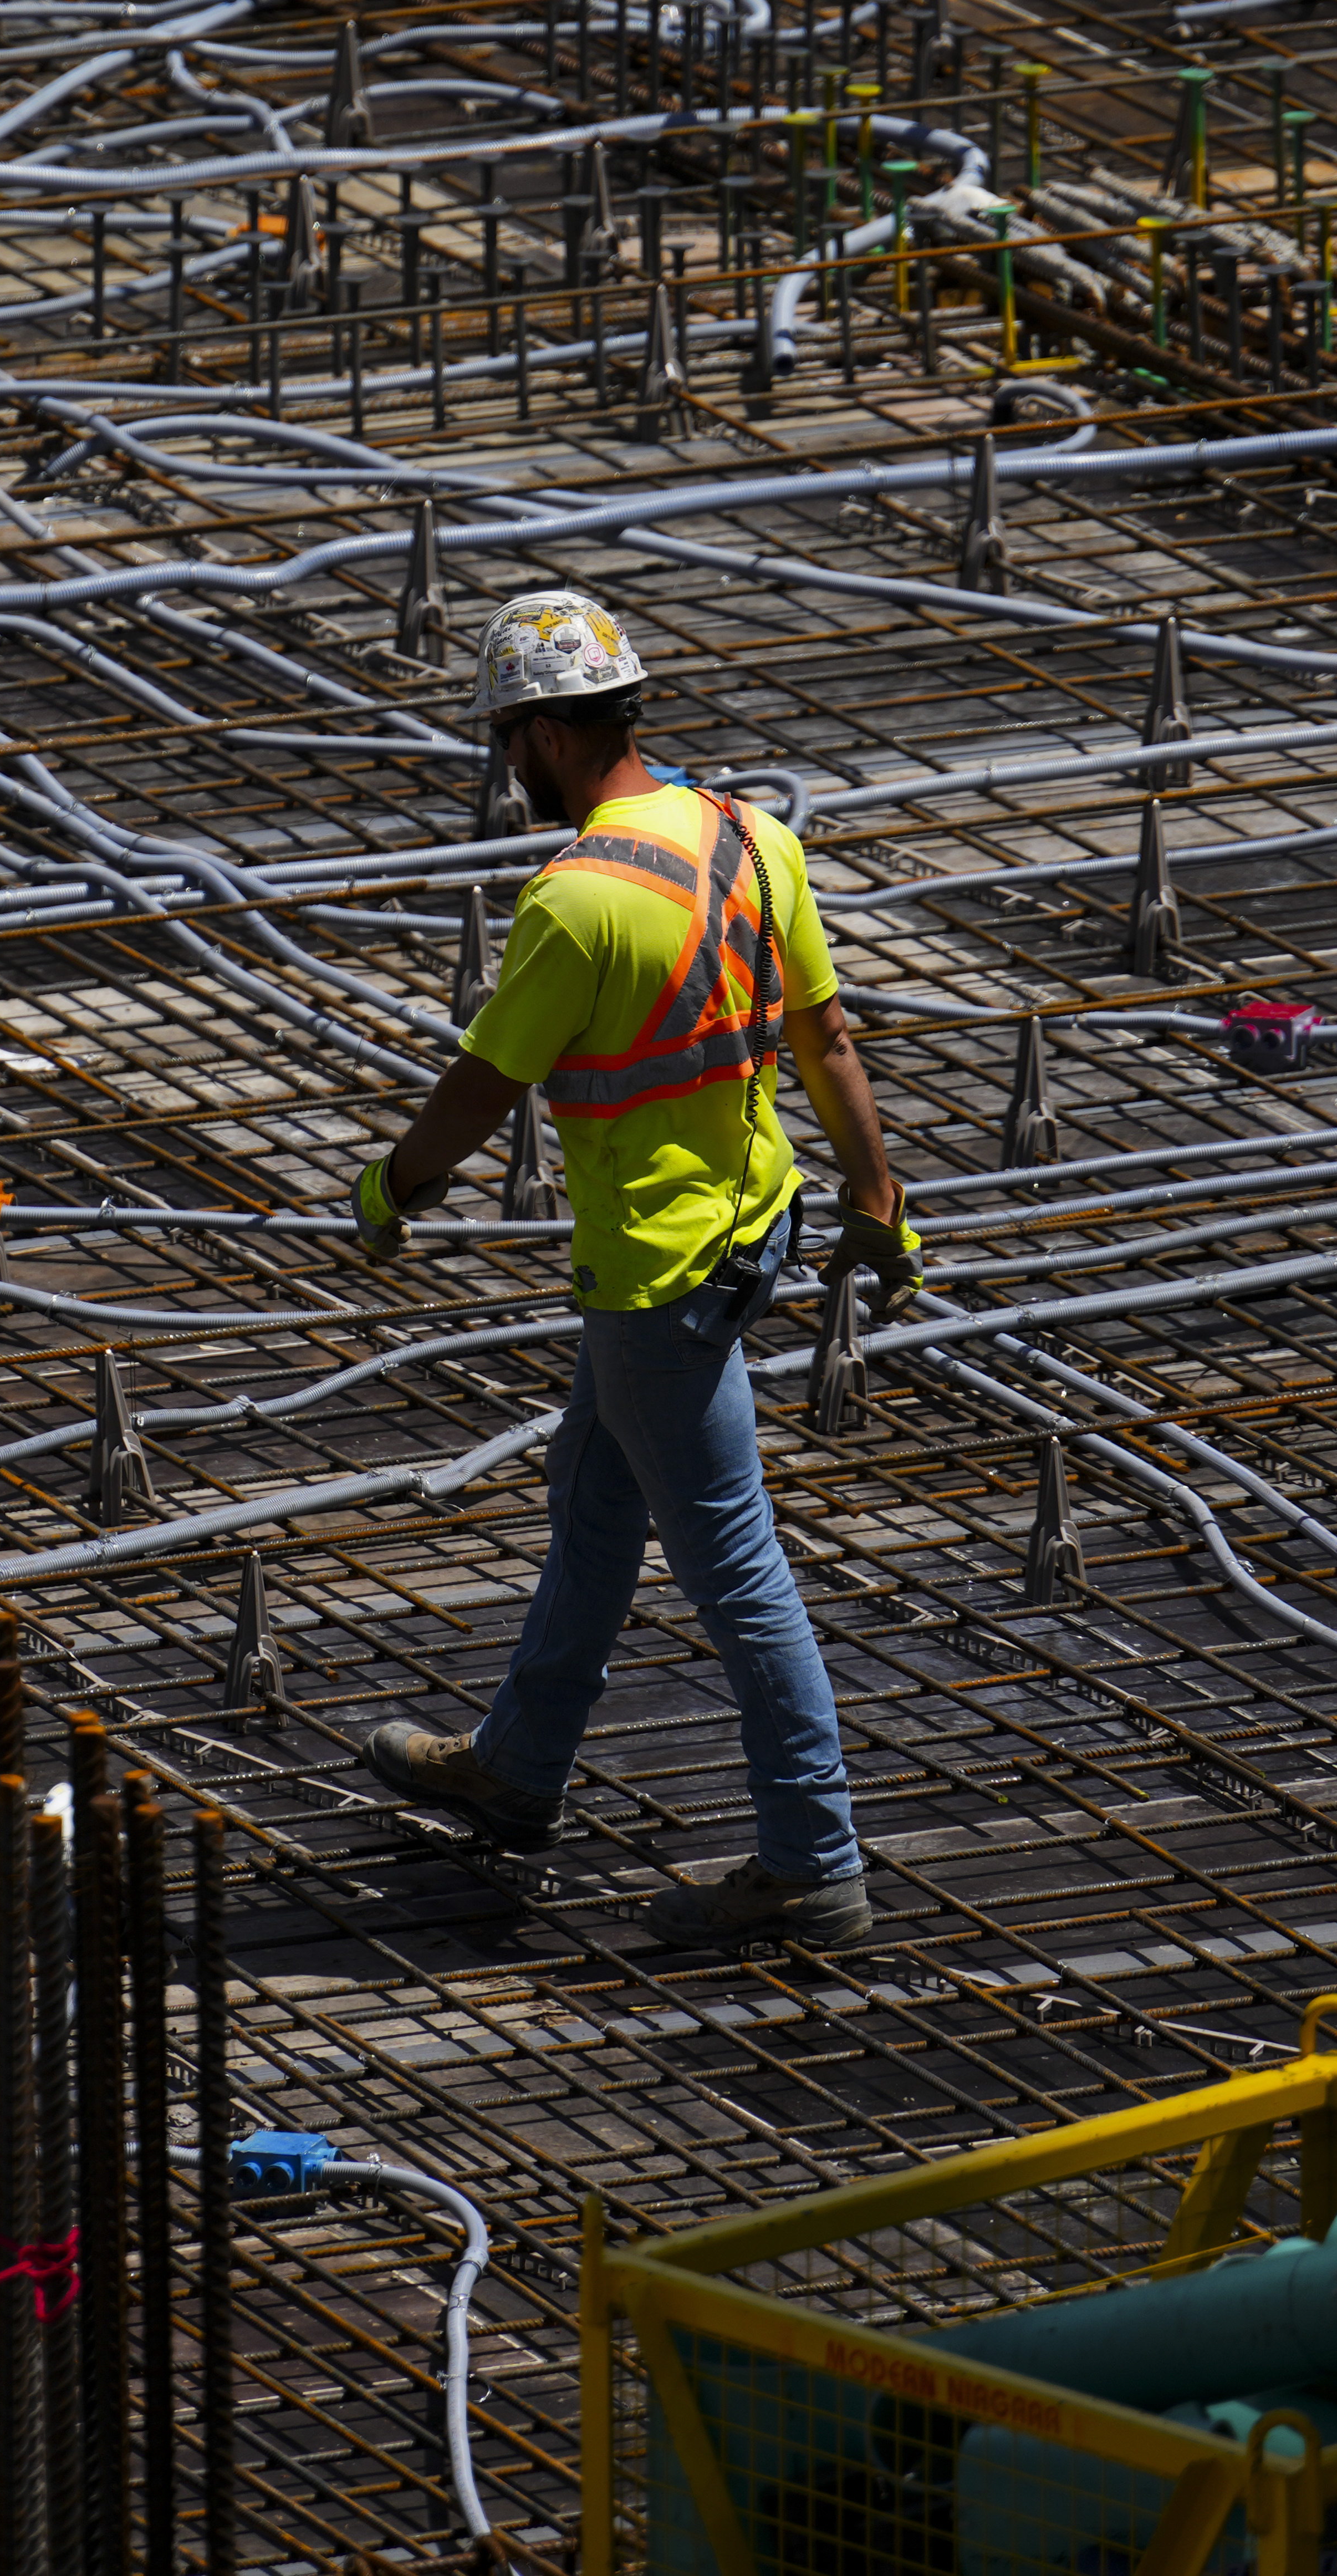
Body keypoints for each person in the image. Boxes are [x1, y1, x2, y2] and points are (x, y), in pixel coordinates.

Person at [346, 589, 917, 1948]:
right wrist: (880, 1198)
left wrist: (391, 1190)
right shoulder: (751, 837)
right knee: (595, 1500)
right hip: (751, 1226)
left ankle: (813, 1857)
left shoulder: (577, 902)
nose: (505, 768)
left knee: (734, 1562)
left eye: (506, 741)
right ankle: (518, 1767)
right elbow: (827, 1040)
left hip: (653, 1277)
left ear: (546, 729)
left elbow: (485, 1086)